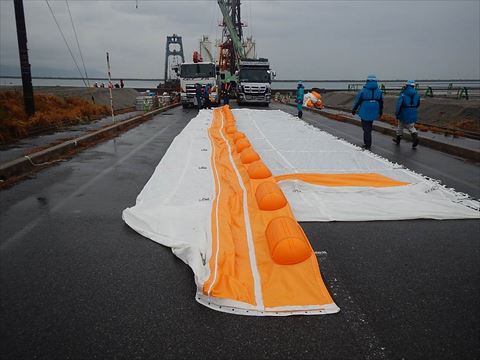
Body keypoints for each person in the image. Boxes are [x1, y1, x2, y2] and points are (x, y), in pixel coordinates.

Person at [352, 74, 384, 150]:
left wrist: (354, 109)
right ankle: (368, 141)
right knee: (369, 125)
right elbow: (381, 102)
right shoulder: (379, 91)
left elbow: (357, 101)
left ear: (367, 81)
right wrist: (380, 111)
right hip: (374, 109)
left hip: (365, 110)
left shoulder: (363, 90)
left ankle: (367, 143)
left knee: (366, 128)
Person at [393, 80, 420, 148]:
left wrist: (397, 113)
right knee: (411, 126)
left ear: (407, 85)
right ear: (413, 86)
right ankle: (415, 137)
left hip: (403, 112)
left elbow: (399, 105)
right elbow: (418, 103)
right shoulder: (416, 94)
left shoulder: (403, 94)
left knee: (400, 126)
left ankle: (398, 140)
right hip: (413, 111)